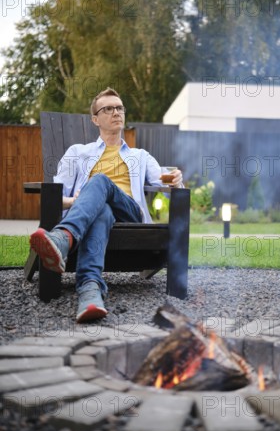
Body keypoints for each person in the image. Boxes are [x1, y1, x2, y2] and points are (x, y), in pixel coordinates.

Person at [30, 88, 184, 323]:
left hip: (130, 215)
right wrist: (76, 201)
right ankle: (90, 291)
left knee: (100, 181)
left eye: (119, 108)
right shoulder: (77, 153)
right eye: (108, 109)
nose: (116, 112)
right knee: (101, 210)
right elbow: (53, 196)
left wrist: (176, 180)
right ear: (95, 119)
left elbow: (167, 181)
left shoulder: (141, 156)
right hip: (94, 216)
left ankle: (64, 238)